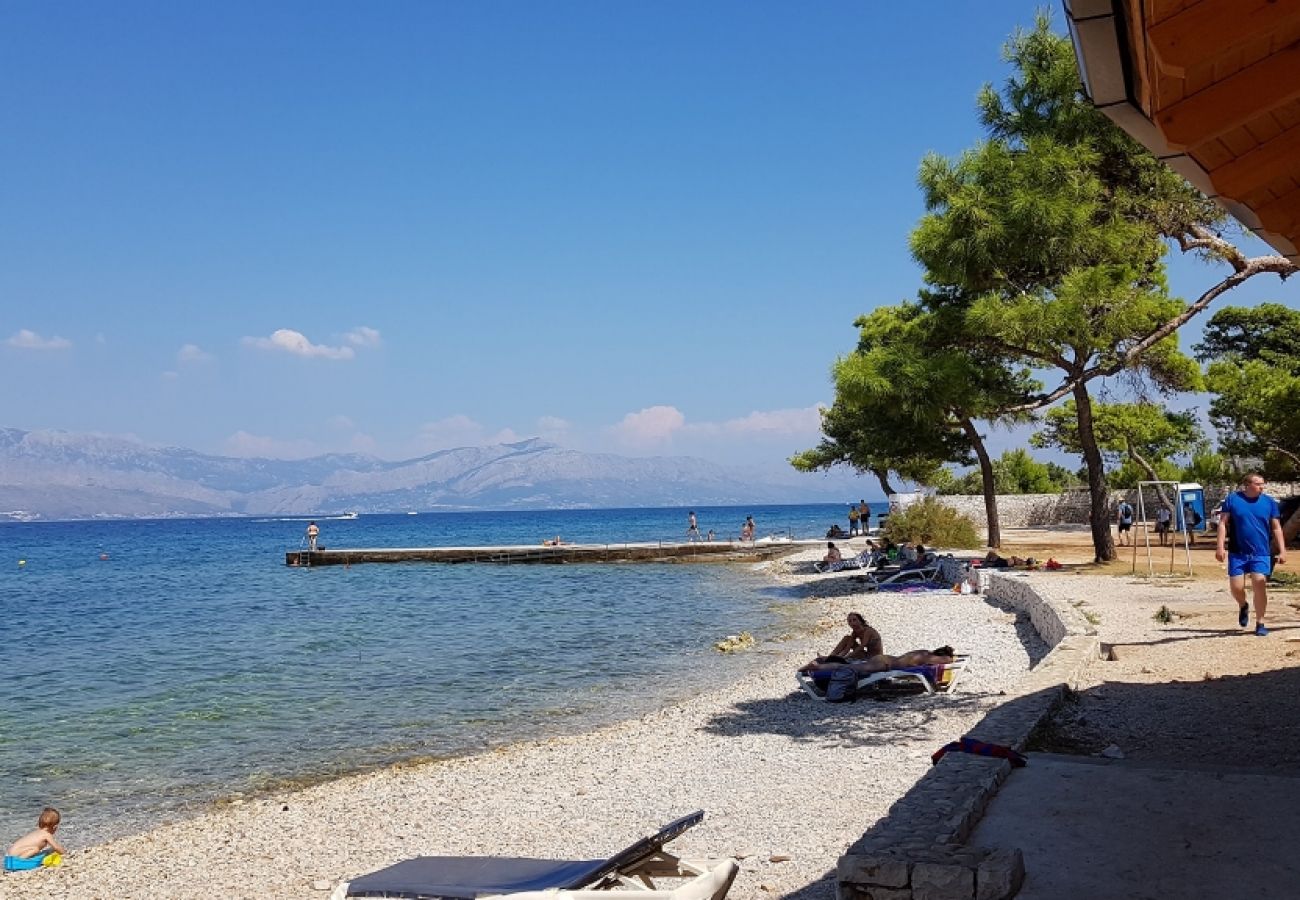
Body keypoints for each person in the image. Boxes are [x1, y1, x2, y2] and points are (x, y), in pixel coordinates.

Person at [1216, 472, 1287, 637]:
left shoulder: (1269, 502)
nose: (1262, 487)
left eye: (1263, 484)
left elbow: (1276, 528)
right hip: (1237, 552)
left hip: (1261, 552)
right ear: (1247, 485)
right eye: (1258, 484)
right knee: (1236, 588)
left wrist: (1282, 550)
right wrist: (1220, 547)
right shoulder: (1233, 499)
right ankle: (1243, 605)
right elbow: (1222, 524)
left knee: (1259, 584)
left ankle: (1260, 622)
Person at [798, 612, 884, 672]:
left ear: (860, 621)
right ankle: (831, 657)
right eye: (850, 621)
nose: (852, 623)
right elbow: (848, 647)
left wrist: (847, 657)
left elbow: (861, 646)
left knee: (847, 648)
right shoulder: (855, 632)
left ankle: (834, 658)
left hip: (875, 658)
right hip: (866, 655)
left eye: (854, 620)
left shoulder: (868, 631)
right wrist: (840, 657)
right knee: (847, 638)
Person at [803, 646, 956, 676]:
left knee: (851, 665)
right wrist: (952, 657)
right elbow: (947, 659)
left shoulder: (923, 651)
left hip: (886, 659)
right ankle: (817, 668)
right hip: (885, 665)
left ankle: (822, 662)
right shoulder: (929, 658)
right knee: (852, 669)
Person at [5, 807, 66, 872]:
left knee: (39, 850)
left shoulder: (36, 833)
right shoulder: (46, 834)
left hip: (8, 859)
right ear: (55, 827)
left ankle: (22, 860)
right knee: (36, 849)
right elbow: (56, 847)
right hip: (15, 861)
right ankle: (22, 861)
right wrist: (65, 854)